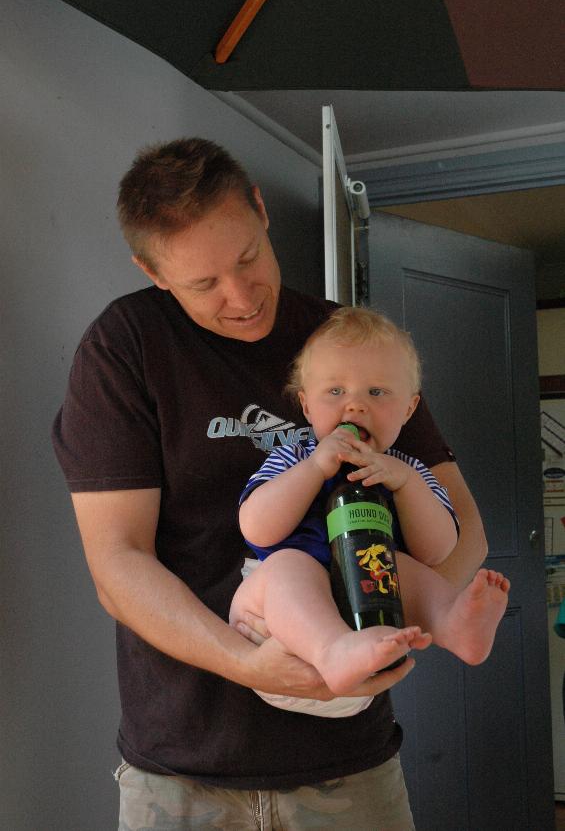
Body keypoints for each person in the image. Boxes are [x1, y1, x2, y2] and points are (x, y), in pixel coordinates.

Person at [52, 137, 489, 830]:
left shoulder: (345, 343)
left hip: (349, 760)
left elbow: (461, 523)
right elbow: (118, 563)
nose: (240, 296)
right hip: (183, 768)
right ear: (152, 271)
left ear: (259, 208)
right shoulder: (124, 348)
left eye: (248, 257)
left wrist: (423, 613)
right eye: (203, 284)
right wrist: (251, 664)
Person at [232, 307, 509, 718]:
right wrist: (314, 469)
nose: (355, 407)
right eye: (336, 392)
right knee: (290, 566)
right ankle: (331, 647)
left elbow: (439, 551)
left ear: (409, 410)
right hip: (276, 636)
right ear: (306, 407)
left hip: (368, 624)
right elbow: (256, 527)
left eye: (377, 393)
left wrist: (407, 485)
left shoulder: (408, 470)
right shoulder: (295, 457)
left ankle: (453, 625)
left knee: (401, 566)